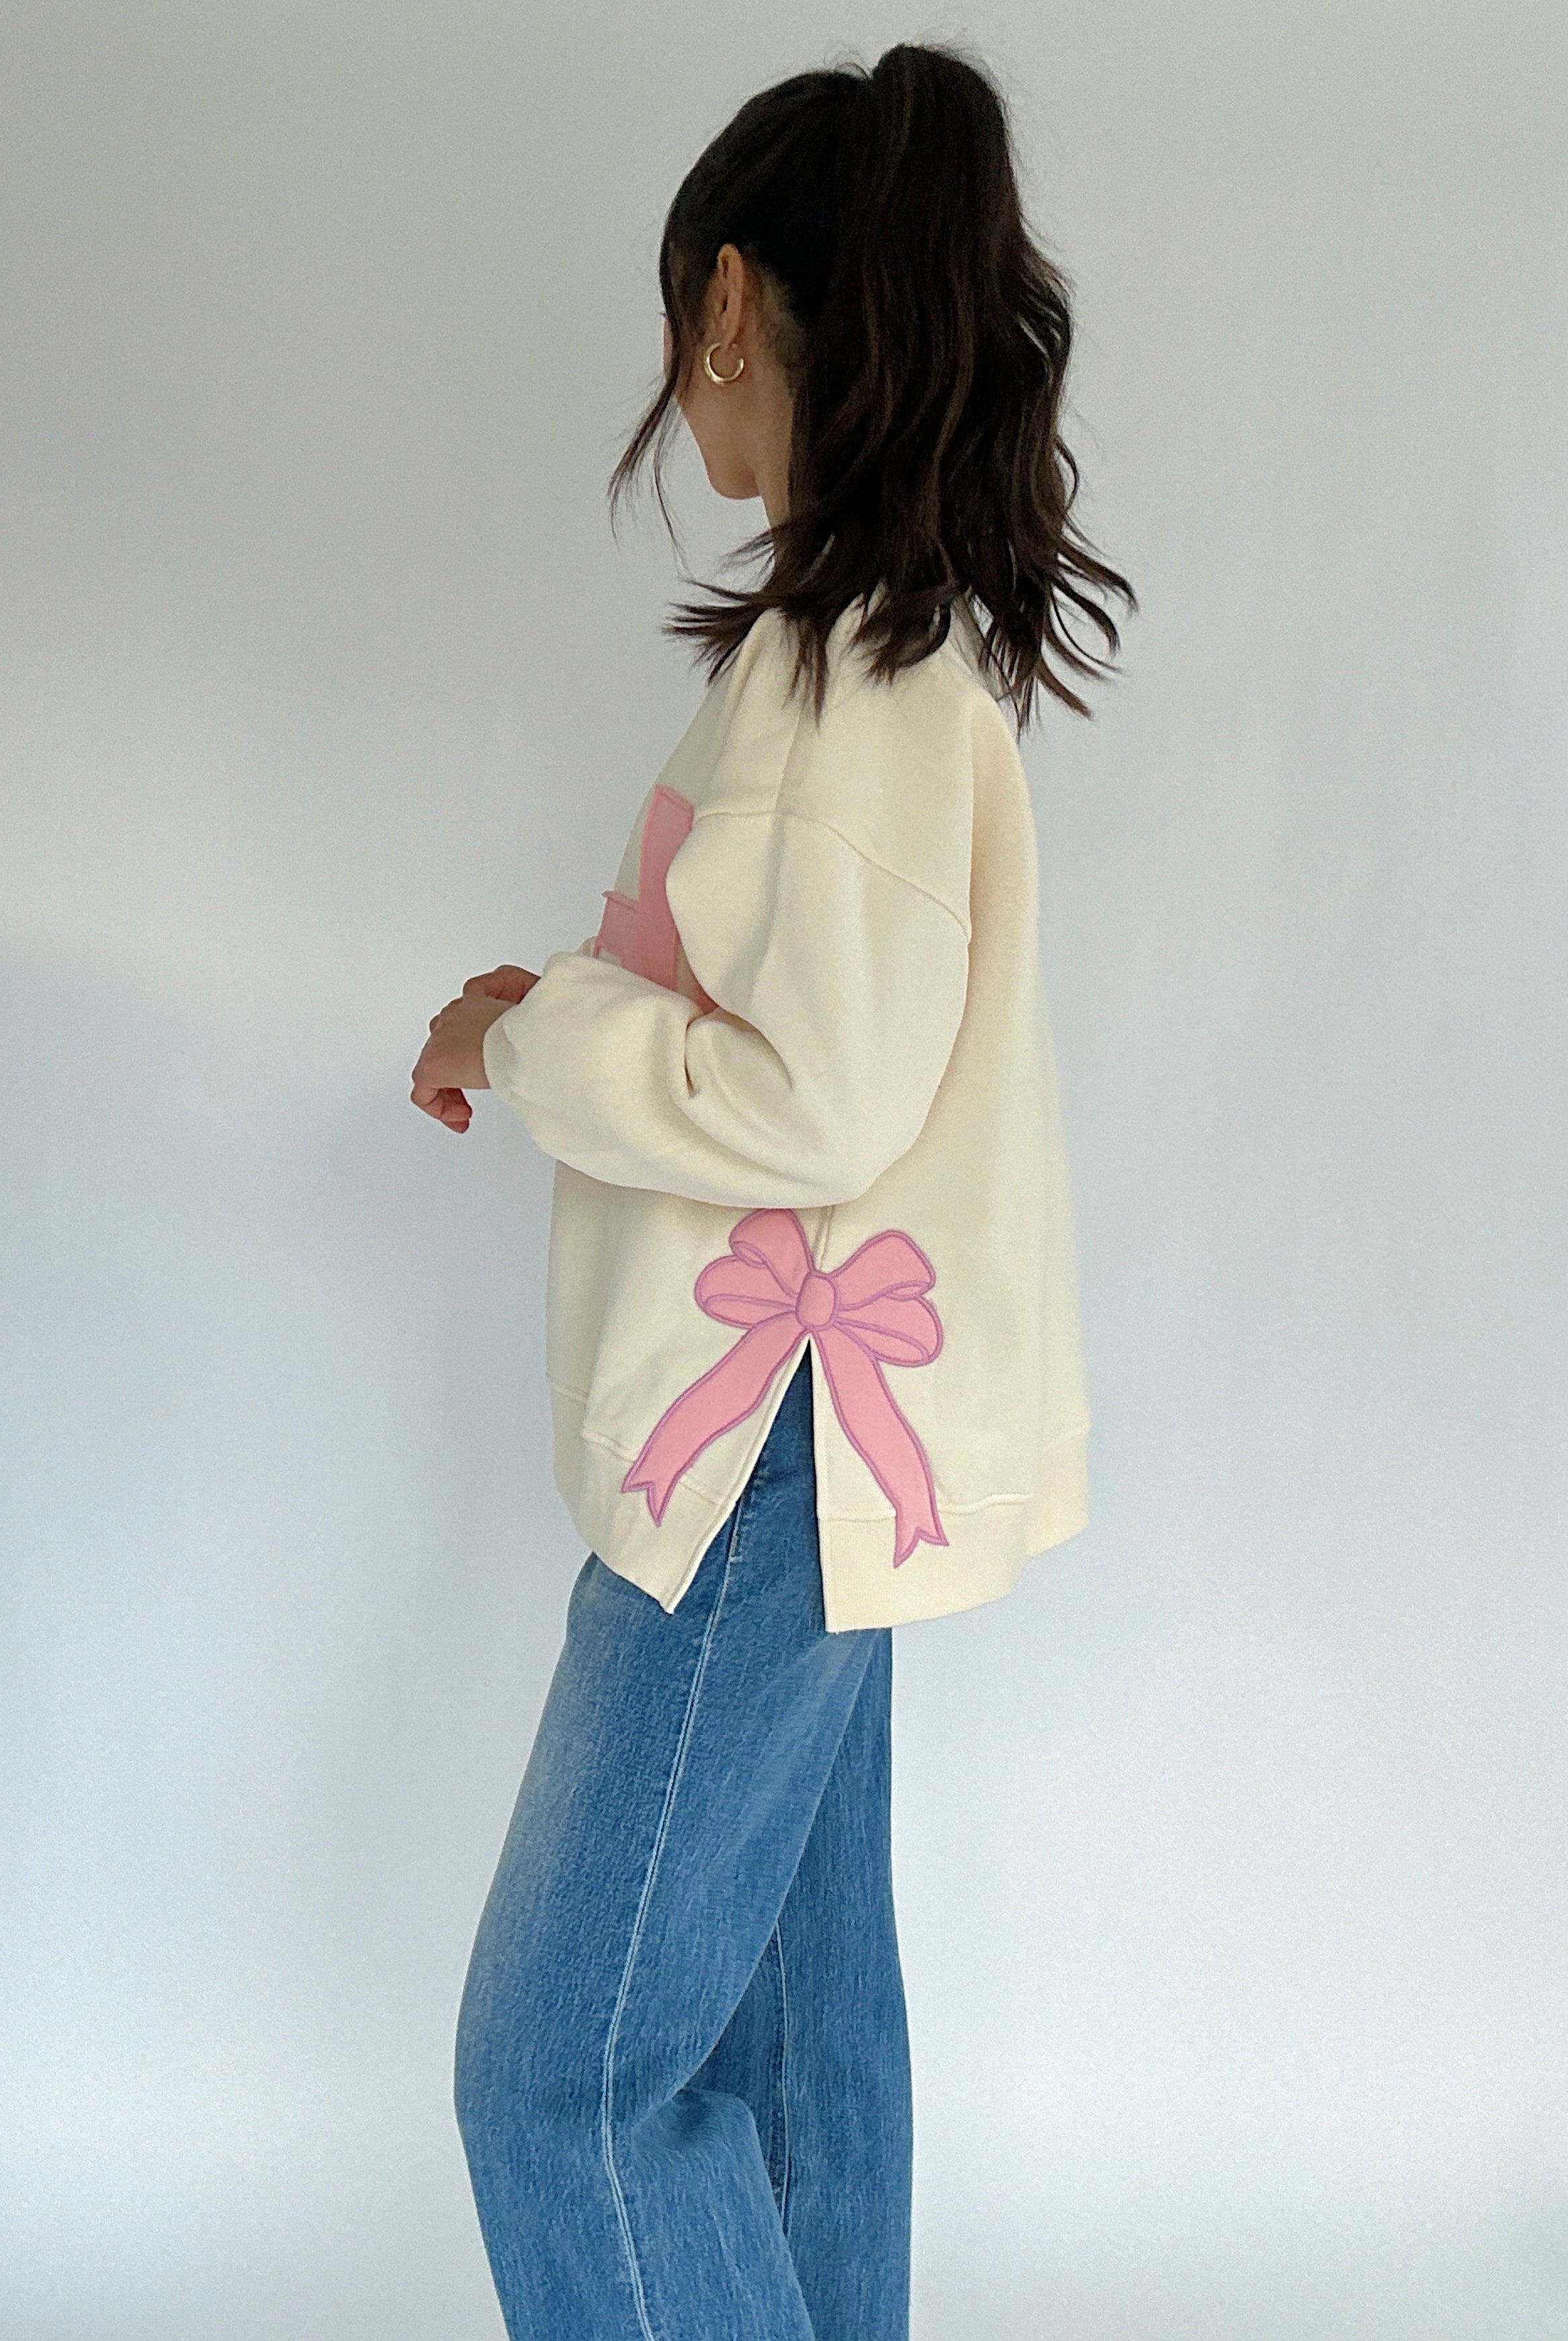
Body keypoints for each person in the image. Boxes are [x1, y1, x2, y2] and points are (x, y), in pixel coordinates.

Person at [410, 39, 1134, 2341]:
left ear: (729, 300)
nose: (676, 386)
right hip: (819, 1445)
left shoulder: (836, 684)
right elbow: (816, 1038)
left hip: (762, 1449)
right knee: (805, 2065)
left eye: (676, 331)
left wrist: (531, 1037)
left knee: (566, 2088)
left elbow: (809, 1098)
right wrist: (570, 989)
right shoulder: (892, 665)